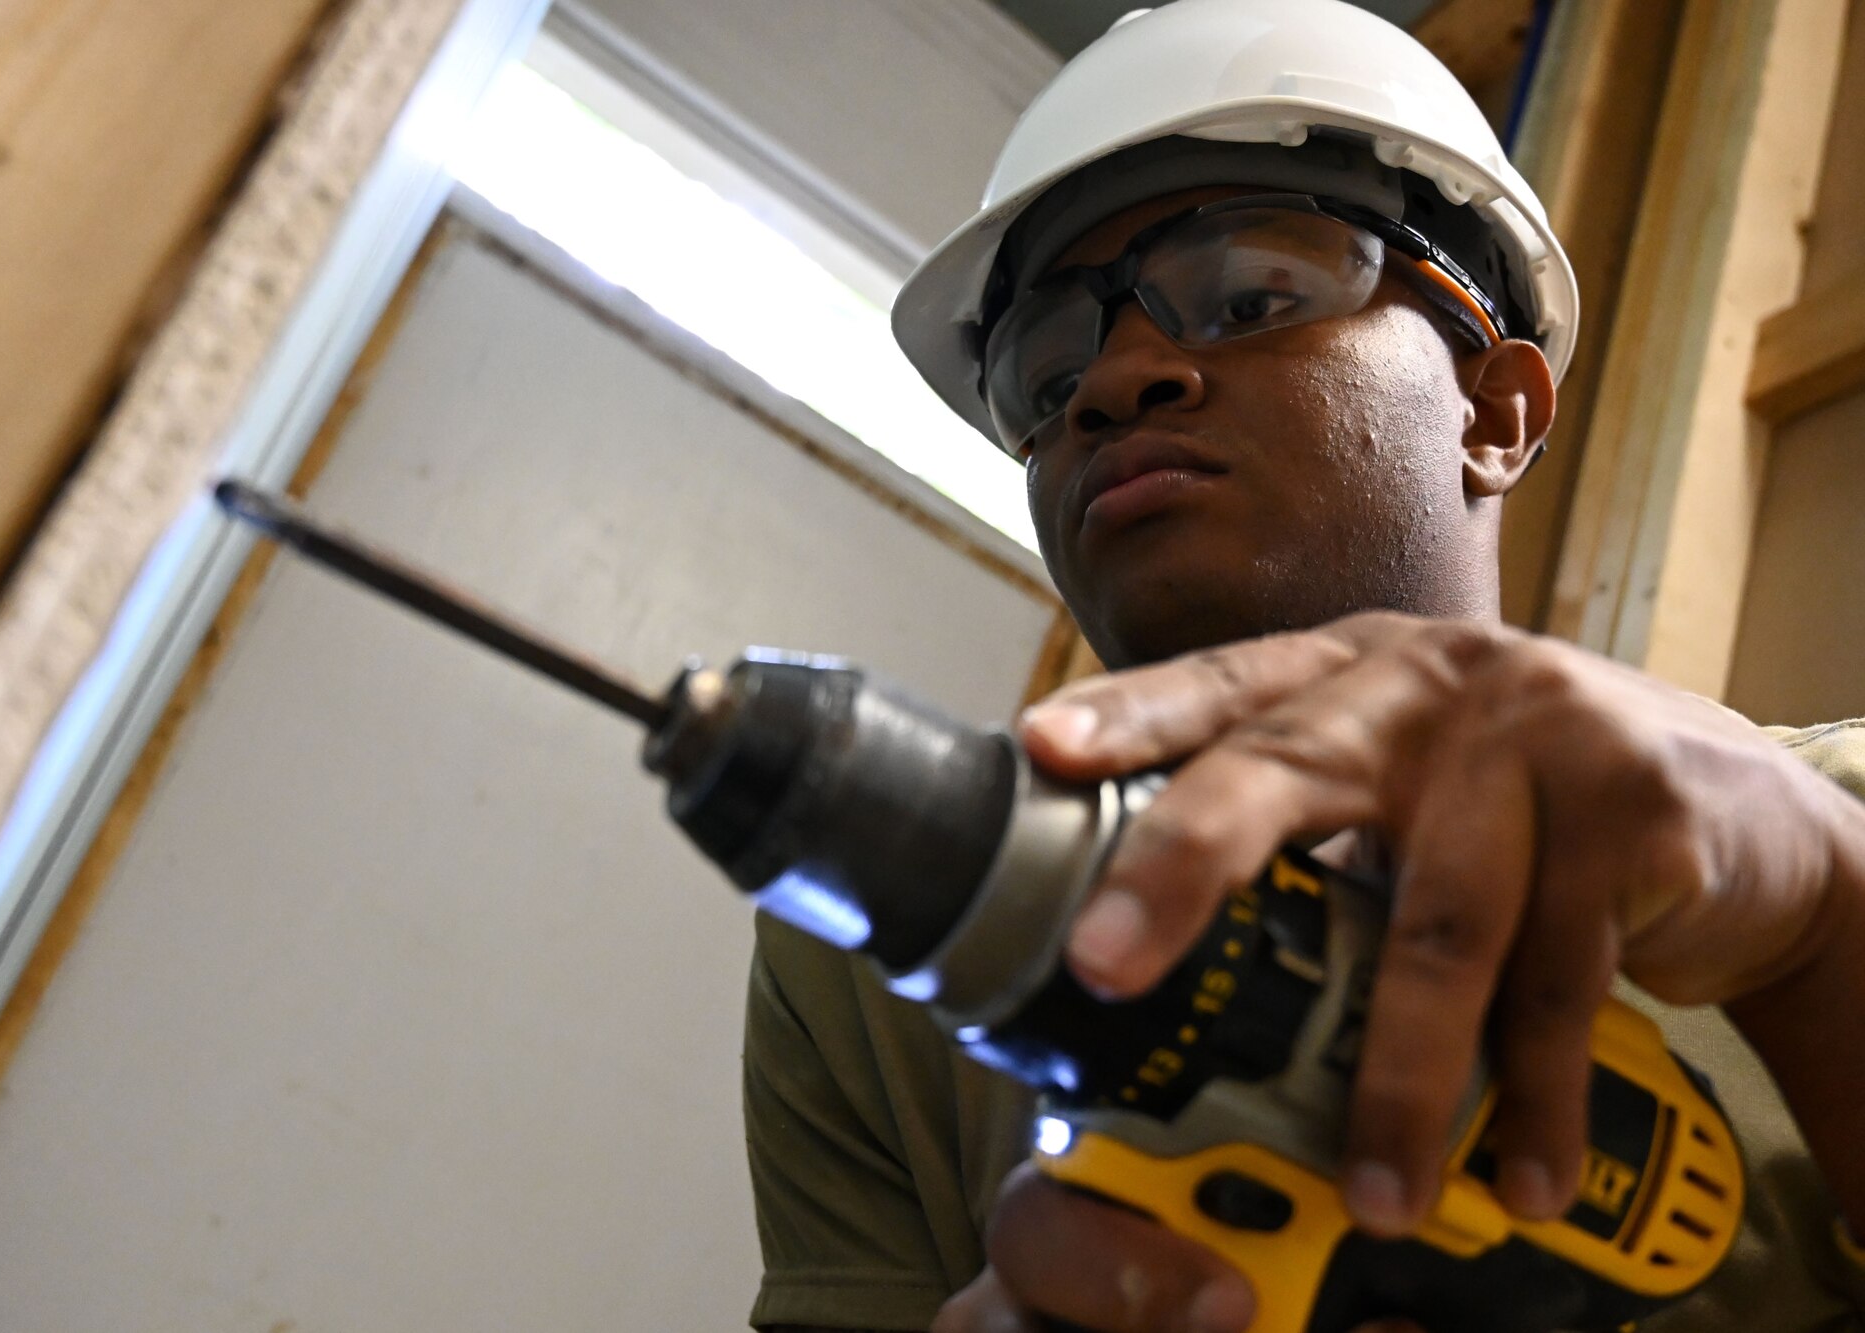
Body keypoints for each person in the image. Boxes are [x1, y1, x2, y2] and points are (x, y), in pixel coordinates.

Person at [741, 3, 1865, 1330]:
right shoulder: (878, 975)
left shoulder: (1835, 817)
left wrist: (1823, 937)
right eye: (1044, 378)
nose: (1112, 382)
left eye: (1252, 295)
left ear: (1497, 413)